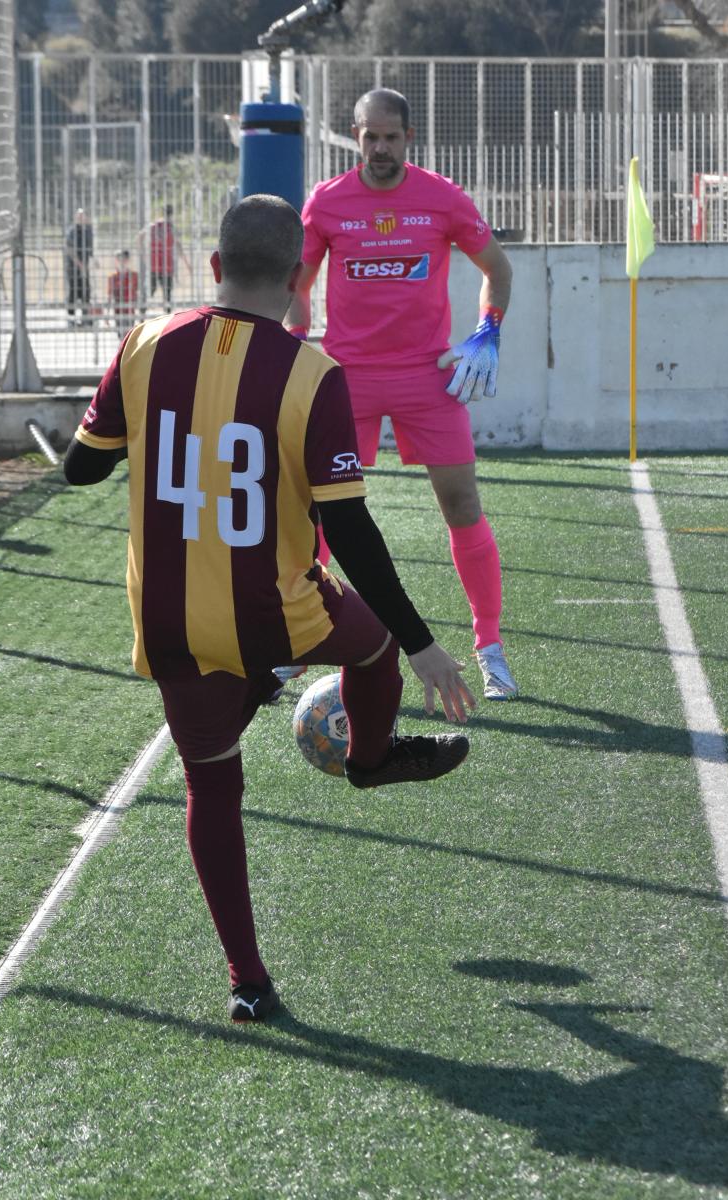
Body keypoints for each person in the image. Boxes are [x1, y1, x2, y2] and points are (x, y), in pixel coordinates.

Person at [63, 194, 476, 1025]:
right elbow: (349, 531)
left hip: (172, 622)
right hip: (279, 610)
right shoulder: (311, 374)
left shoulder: (143, 343)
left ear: (214, 266)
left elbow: (82, 468)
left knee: (212, 786)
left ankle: (247, 980)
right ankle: (369, 760)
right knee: (372, 651)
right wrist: (421, 642)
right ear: (297, 279)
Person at [284, 88, 518, 702]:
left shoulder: (442, 197)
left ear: (408, 138)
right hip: (346, 378)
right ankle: (300, 641)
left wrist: (487, 332)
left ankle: (490, 646)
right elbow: (297, 284)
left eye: (391, 137)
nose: (381, 148)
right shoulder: (327, 202)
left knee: (462, 504)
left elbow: (497, 268)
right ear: (355, 136)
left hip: (427, 375)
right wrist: (298, 340)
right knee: (320, 515)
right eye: (371, 137)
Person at [138, 204, 189, 311]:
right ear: (172, 214)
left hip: (154, 263)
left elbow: (140, 236)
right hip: (167, 264)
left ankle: (142, 313)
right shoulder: (171, 227)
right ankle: (167, 315)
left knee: (150, 290)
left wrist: (143, 253)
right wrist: (187, 263)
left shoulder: (153, 225)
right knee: (167, 293)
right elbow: (179, 246)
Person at [64, 208, 93, 326]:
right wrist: (79, 264)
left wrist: (92, 261)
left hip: (84, 267)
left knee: (86, 292)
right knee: (73, 291)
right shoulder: (72, 231)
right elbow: (69, 249)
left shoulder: (88, 231)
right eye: (79, 216)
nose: (81, 218)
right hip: (73, 267)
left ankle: (85, 317)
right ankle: (71, 318)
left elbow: (90, 249)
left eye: (83, 216)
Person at [106, 249, 139, 339]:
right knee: (121, 336)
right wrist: (107, 315)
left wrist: (140, 313)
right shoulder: (112, 277)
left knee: (129, 335)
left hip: (130, 309)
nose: (122, 262)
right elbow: (109, 295)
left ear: (128, 260)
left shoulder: (133, 275)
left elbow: (137, 293)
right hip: (118, 310)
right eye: (119, 259)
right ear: (116, 260)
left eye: (124, 259)